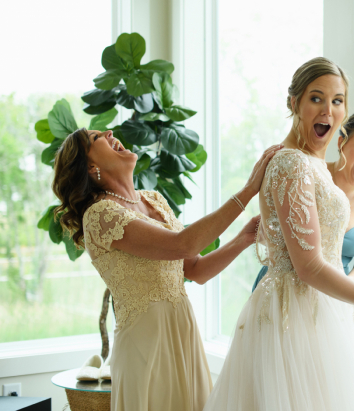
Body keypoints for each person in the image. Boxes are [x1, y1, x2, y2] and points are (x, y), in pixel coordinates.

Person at [204, 57, 354, 411]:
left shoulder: (314, 165)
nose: (328, 109)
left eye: (337, 100)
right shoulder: (291, 163)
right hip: (292, 313)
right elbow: (308, 267)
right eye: (316, 98)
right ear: (295, 103)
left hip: (320, 311)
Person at [51, 128, 281, 411]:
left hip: (183, 335)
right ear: (90, 167)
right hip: (145, 347)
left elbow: (195, 269)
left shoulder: (154, 200)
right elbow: (183, 244)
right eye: (97, 137)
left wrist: (244, 238)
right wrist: (247, 192)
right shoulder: (101, 215)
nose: (110, 131)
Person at [251, 110, 354, 290]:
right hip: (287, 289)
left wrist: (342, 287)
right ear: (341, 143)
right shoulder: (310, 175)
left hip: (337, 296)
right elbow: (270, 232)